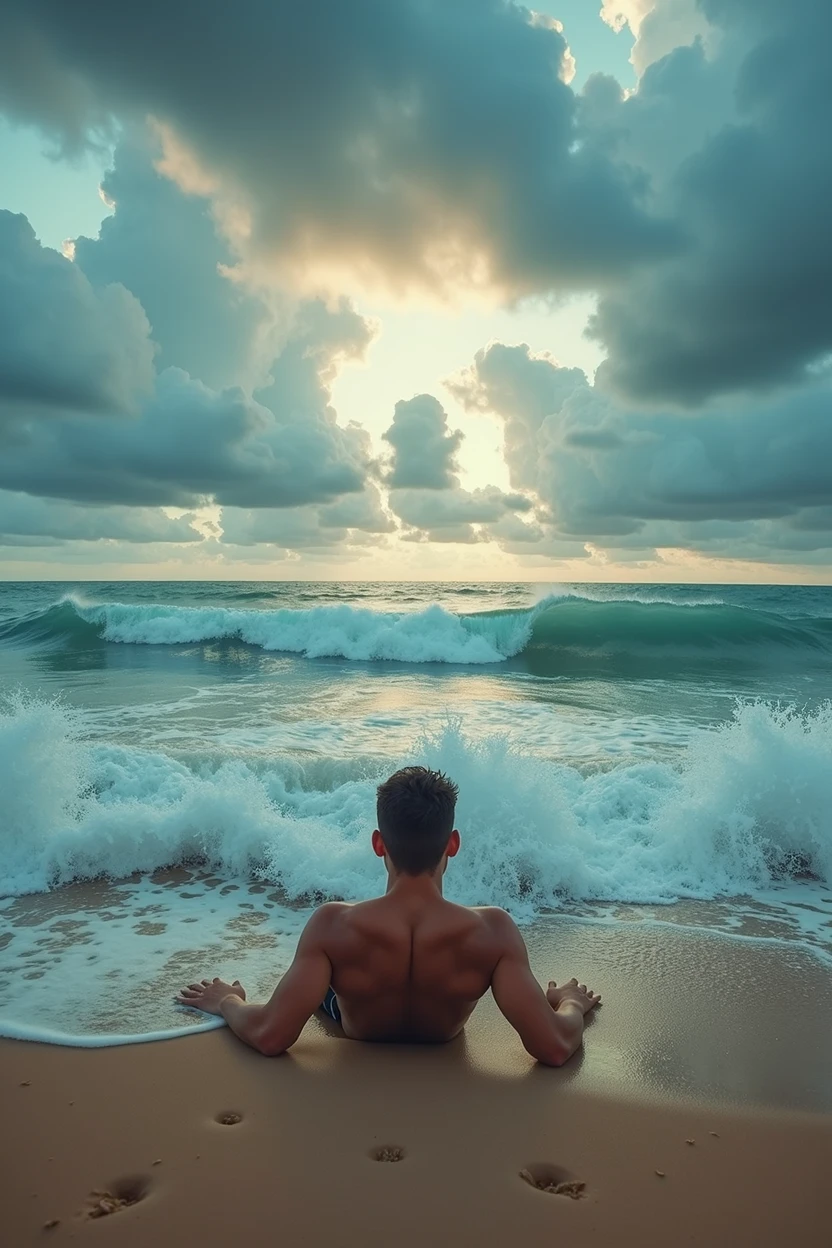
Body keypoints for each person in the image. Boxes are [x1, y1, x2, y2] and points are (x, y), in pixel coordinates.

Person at [176, 766, 601, 1065]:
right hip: (443, 1030)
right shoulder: (493, 932)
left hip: (359, 1022)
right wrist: (569, 1004)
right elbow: (555, 1047)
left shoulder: (334, 925)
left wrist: (228, 1001)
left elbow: (270, 1036)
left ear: (379, 844)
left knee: (314, 986)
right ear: (452, 844)